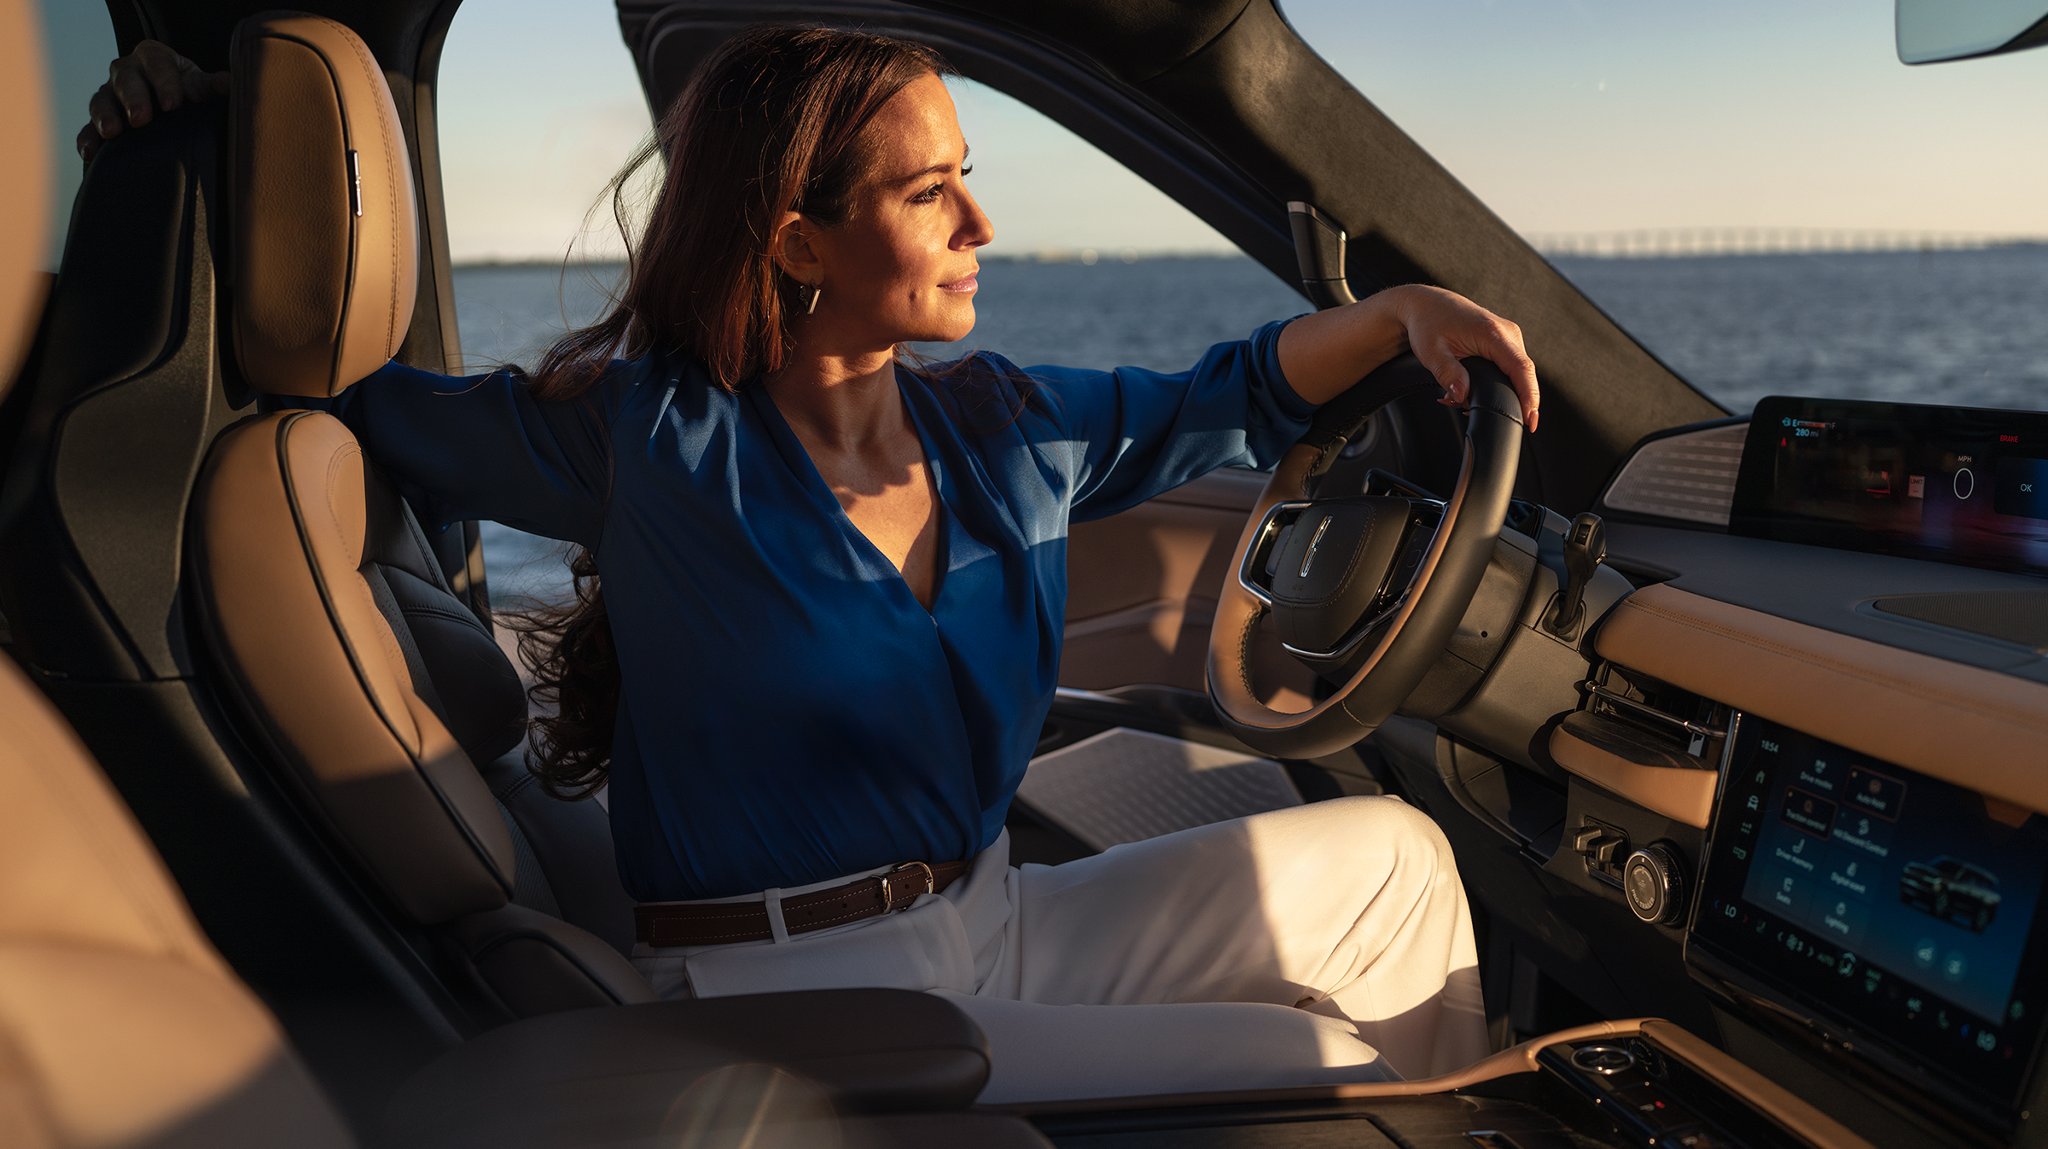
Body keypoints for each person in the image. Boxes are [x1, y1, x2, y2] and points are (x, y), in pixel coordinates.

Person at [85, 25, 1540, 1103]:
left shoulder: (1007, 423)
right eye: (930, 197)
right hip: (792, 980)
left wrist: (1406, 309)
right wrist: (183, 165)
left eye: (970, 179)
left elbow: (1243, 386)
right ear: (799, 239)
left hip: (998, 913)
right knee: (1332, 1062)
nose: (983, 225)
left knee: (1399, 863)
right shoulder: (655, 439)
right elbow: (335, 391)